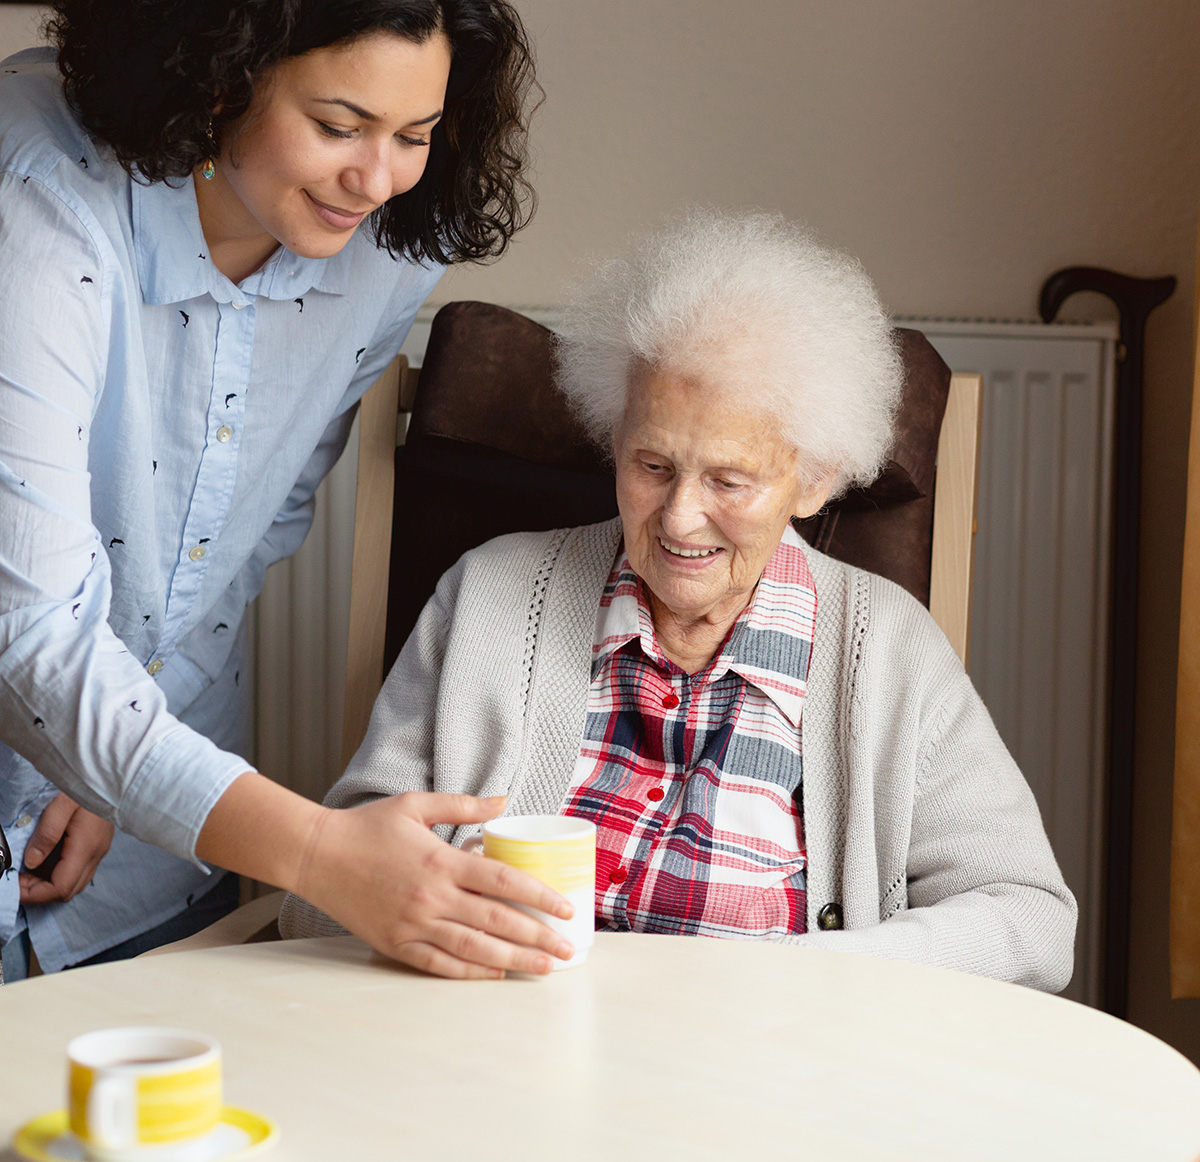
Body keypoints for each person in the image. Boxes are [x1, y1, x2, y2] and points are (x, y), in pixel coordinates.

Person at [281, 211, 1078, 992]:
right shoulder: (492, 596)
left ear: (815, 479)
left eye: (729, 480)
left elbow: (1030, 918)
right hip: (506, 1067)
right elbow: (321, 895)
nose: (679, 517)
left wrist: (821, 976)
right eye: (652, 465)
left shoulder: (891, 651)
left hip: (766, 1087)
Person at [0, 0, 576, 982]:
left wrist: (119, 761)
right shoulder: (35, 194)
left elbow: (253, 527)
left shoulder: (387, 236)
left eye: (415, 135)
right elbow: (28, 628)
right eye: (338, 126)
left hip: (148, 860)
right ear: (216, 76)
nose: (377, 176)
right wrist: (318, 853)